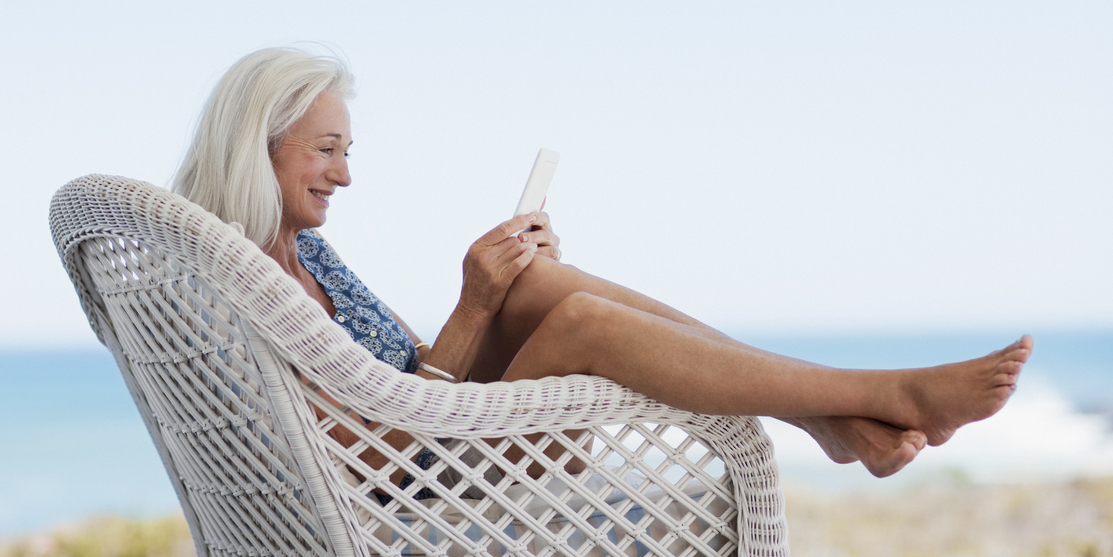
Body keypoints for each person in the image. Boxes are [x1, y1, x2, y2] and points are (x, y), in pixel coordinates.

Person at [174, 47, 1032, 480]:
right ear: (259, 142)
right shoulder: (234, 275)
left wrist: (488, 295)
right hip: (413, 481)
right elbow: (374, 439)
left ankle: (824, 415)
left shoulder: (305, 250)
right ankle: (870, 399)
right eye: (326, 148)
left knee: (540, 283)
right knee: (574, 319)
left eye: (346, 149)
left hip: (437, 432)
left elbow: (403, 366)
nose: (345, 173)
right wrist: (473, 310)